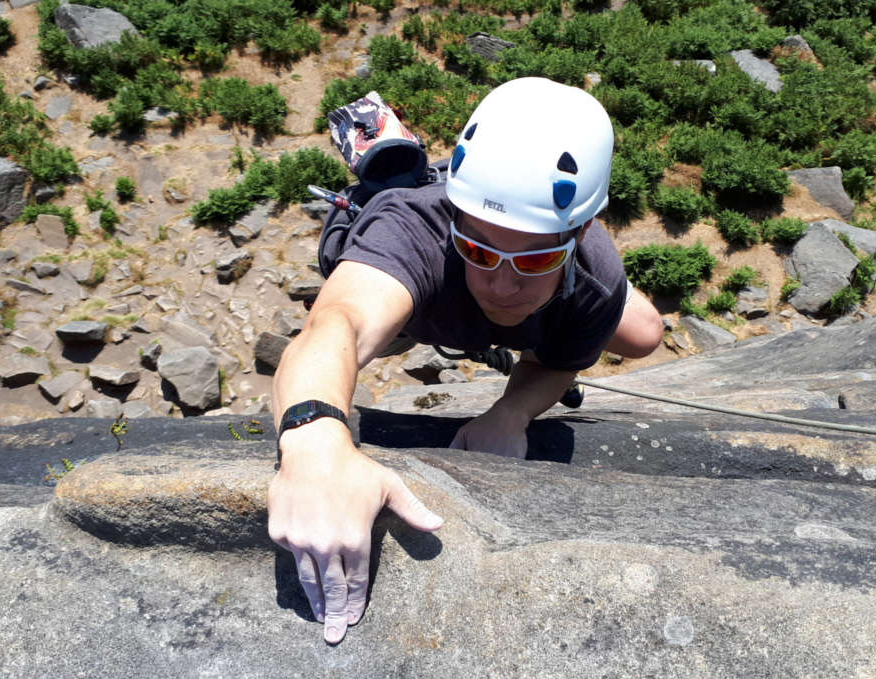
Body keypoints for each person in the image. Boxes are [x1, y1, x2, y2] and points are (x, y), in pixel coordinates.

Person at [267, 77, 664, 645]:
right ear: (455, 215)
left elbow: (555, 365)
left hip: (545, 301)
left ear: (578, 234)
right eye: (478, 247)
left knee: (646, 334)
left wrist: (513, 412)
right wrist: (313, 446)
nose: (501, 284)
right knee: (382, 328)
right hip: (419, 307)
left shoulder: (593, 282)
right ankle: (390, 176)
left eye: (535, 256)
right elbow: (336, 326)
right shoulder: (416, 229)